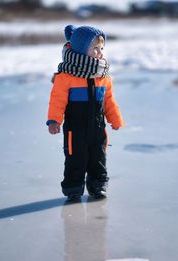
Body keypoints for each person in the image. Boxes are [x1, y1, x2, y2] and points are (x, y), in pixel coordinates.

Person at [46, 24, 124, 201]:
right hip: (76, 129)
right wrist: (54, 120)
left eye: (101, 48)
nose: (100, 52)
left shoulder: (103, 76)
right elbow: (57, 100)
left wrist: (115, 119)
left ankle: (98, 186)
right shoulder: (66, 77)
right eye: (95, 48)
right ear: (81, 50)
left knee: (98, 158)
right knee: (75, 159)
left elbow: (109, 101)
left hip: (97, 128)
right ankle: (73, 188)